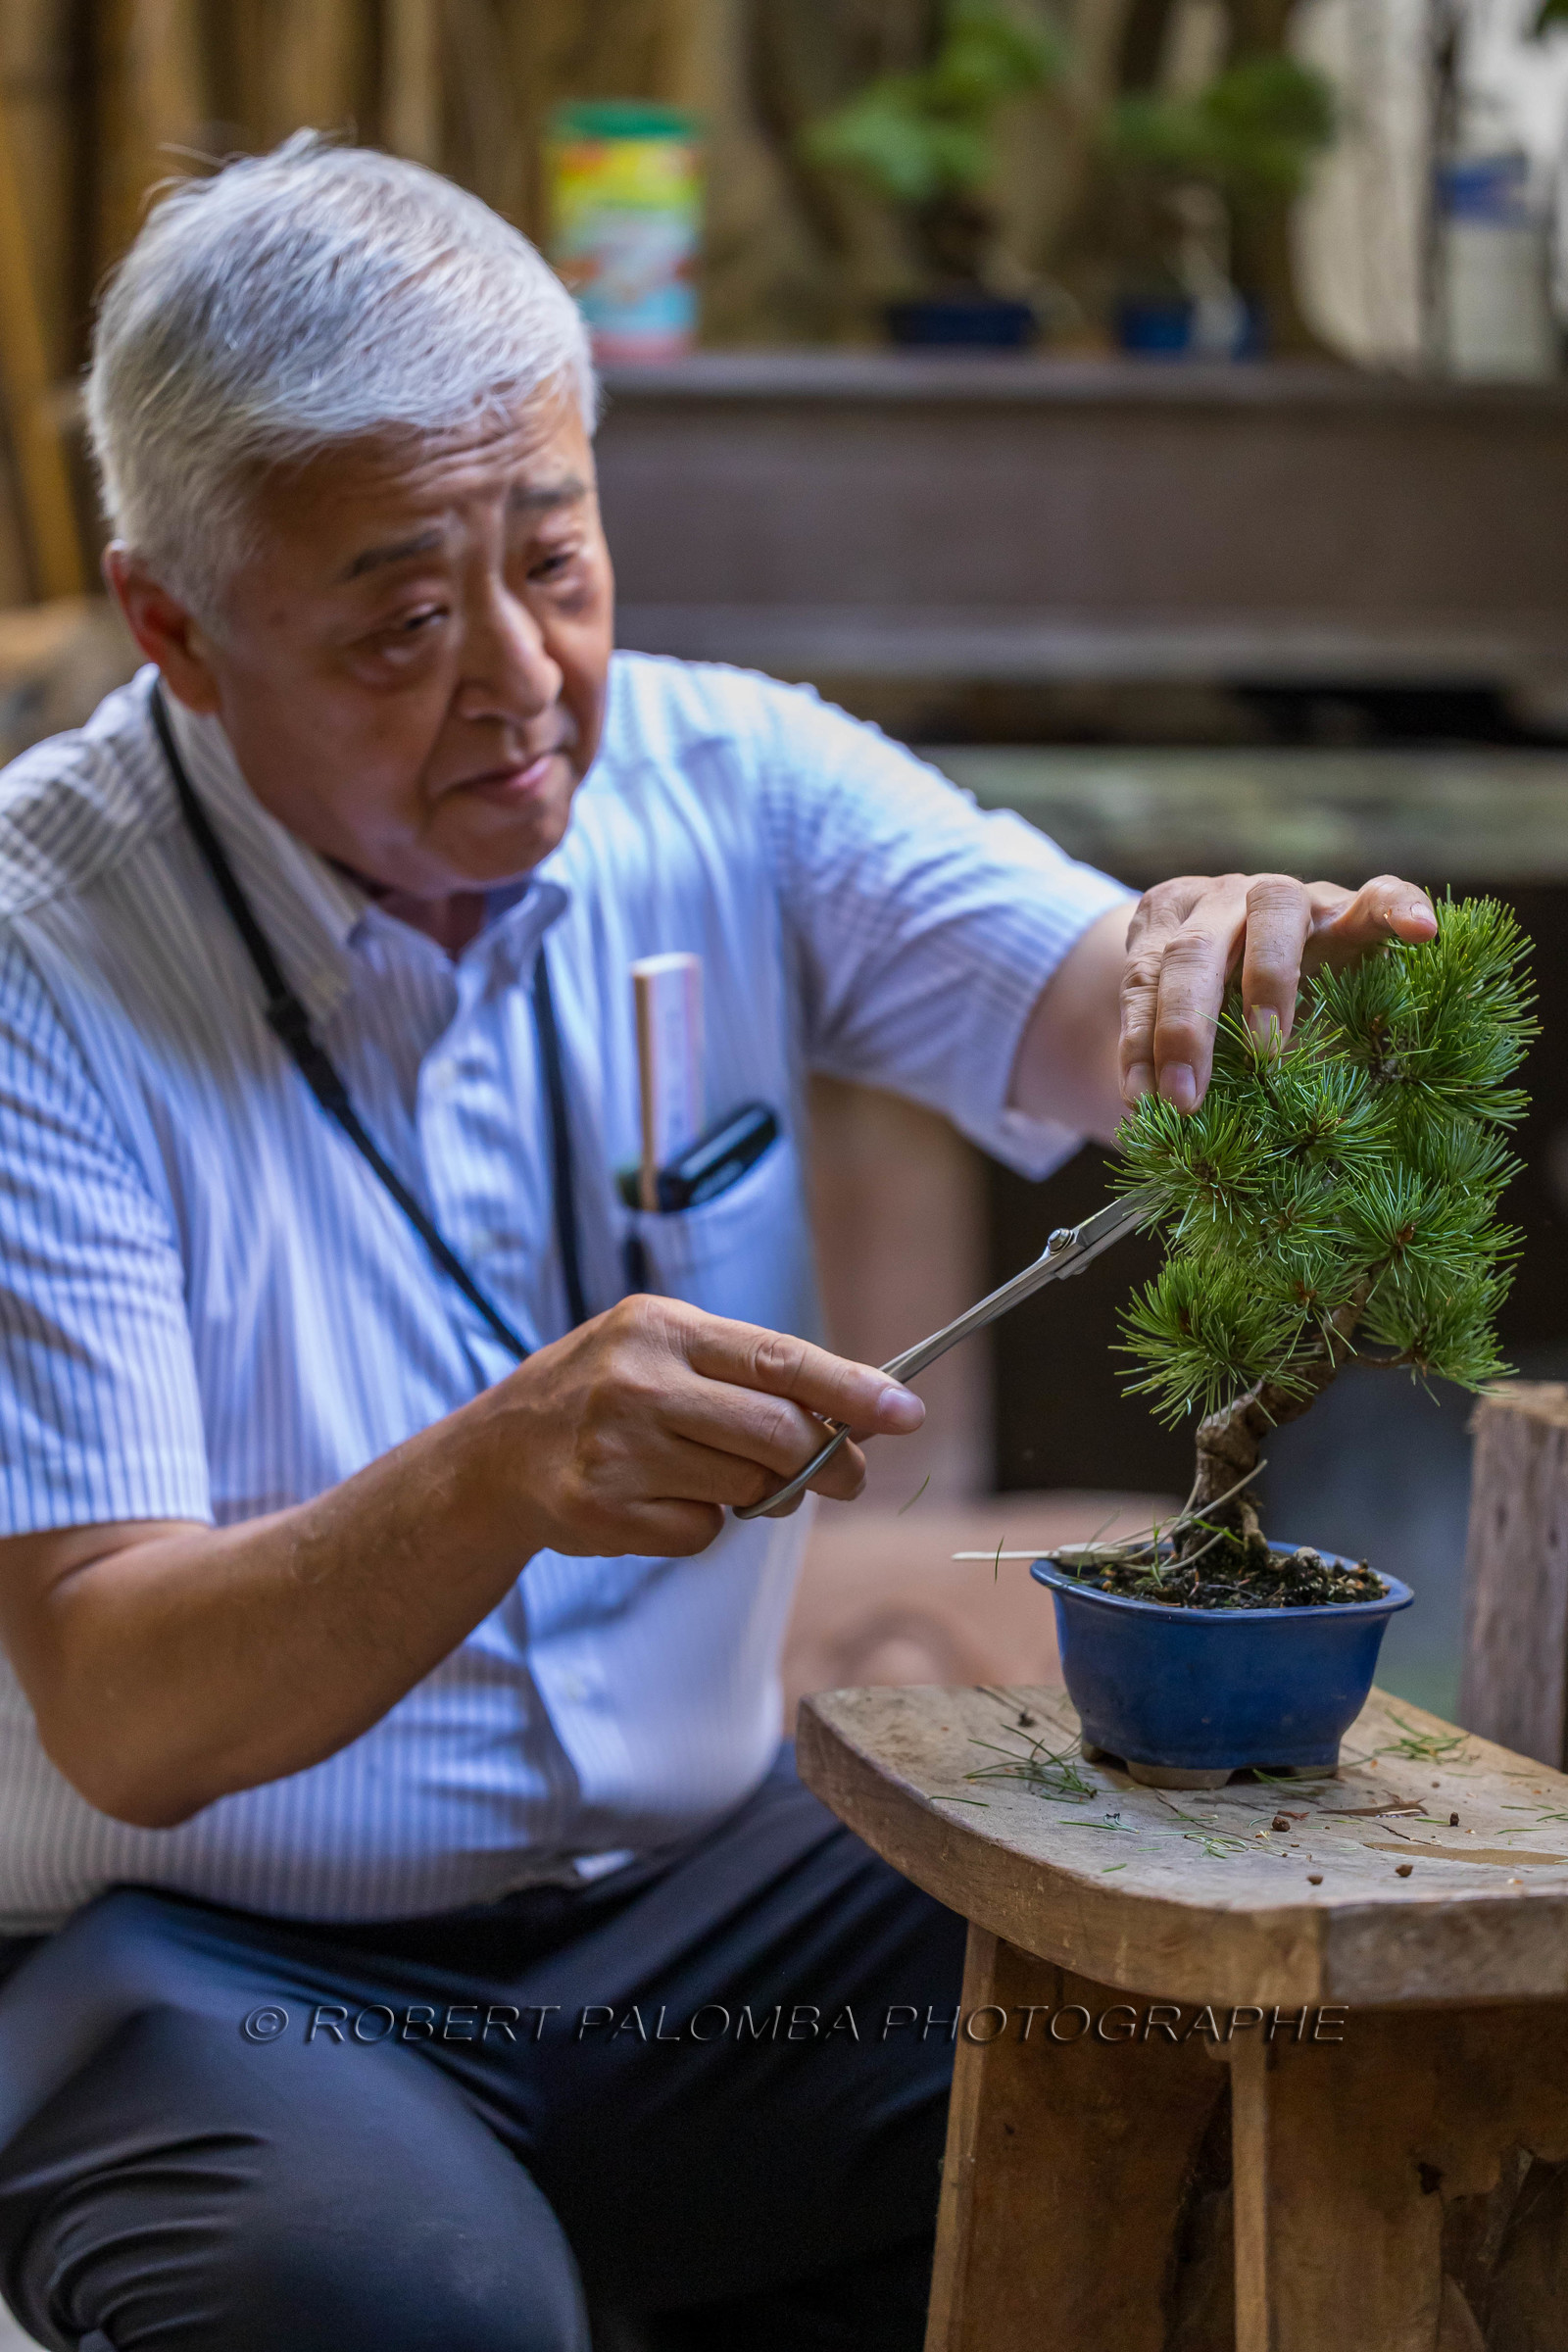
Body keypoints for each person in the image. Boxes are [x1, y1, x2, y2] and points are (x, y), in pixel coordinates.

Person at [0, 137, 1437, 2352]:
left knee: (1261, 2041)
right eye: (396, 620)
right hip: (215, 1960)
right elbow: (119, 1698)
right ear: (174, 623)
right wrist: (498, 1473)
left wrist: (1232, 969)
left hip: (705, 1913)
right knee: (396, 2304)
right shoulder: (36, 958)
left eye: (555, 560)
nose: (520, 681)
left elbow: (1087, 998)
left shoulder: (733, 779)